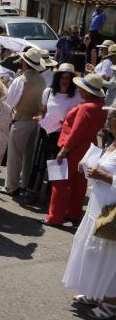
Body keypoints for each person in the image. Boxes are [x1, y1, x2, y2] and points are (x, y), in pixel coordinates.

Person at [61, 108, 116, 319]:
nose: (108, 124)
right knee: (93, 251)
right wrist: (89, 169)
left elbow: (109, 175)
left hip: (111, 211)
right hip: (98, 205)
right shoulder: (112, 142)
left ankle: (111, 302)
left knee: (109, 256)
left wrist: (102, 175)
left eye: (112, 120)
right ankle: (94, 291)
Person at [45, 73, 107, 227]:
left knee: (59, 183)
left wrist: (63, 151)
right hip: (88, 148)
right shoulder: (100, 105)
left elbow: (76, 133)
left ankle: (55, 217)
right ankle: (73, 213)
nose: (79, 89)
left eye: (82, 88)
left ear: (87, 91)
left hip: (72, 148)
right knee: (79, 183)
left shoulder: (86, 107)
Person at [27, 64, 81, 198]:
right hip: (46, 132)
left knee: (56, 165)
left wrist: (70, 122)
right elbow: (43, 110)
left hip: (63, 135)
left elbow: (80, 115)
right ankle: (32, 192)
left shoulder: (77, 95)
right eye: (62, 77)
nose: (65, 80)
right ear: (57, 78)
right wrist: (39, 116)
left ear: (72, 80)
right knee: (39, 163)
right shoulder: (48, 91)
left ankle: (50, 196)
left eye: (68, 78)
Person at [2, 48, 47, 196]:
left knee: (15, 156)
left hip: (21, 120)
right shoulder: (42, 80)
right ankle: (25, 183)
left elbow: (10, 103)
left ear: (25, 63)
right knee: (29, 156)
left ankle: (11, 186)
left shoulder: (20, 80)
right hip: (35, 122)